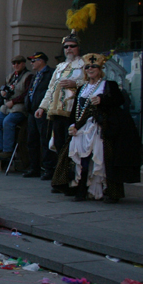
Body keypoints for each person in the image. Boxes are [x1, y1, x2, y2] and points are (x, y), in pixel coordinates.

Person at [51, 53, 141, 202]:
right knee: (81, 158)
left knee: (102, 159)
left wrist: (102, 99)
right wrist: (73, 124)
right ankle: (81, 189)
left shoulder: (108, 85)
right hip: (82, 128)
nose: (91, 69)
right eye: (88, 67)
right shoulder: (82, 87)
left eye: (94, 66)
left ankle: (109, 191)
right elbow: (76, 109)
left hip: (101, 128)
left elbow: (119, 100)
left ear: (100, 69)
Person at [36, 34, 85, 186]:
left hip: (73, 112)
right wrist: (42, 107)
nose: (69, 49)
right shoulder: (60, 67)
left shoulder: (84, 64)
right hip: (57, 112)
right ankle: (61, 179)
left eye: (72, 46)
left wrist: (75, 83)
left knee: (72, 147)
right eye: (66, 47)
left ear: (78, 47)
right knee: (58, 145)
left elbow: (91, 82)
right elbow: (51, 89)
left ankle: (73, 180)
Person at [0, 55, 33, 160]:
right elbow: (3, 88)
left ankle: (7, 150)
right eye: (14, 63)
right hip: (7, 108)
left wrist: (14, 101)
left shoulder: (28, 76)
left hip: (19, 108)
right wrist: (2, 92)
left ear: (23, 63)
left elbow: (27, 93)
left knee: (8, 122)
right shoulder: (11, 76)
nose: (16, 65)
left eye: (18, 63)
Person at [22, 52, 55, 178]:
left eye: (34, 61)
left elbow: (50, 91)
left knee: (45, 140)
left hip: (43, 111)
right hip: (32, 111)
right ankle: (34, 167)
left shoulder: (50, 73)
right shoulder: (36, 75)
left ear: (41, 61)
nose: (31, 63)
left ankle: (49, 168)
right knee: (32, 141)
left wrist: (43, 106)